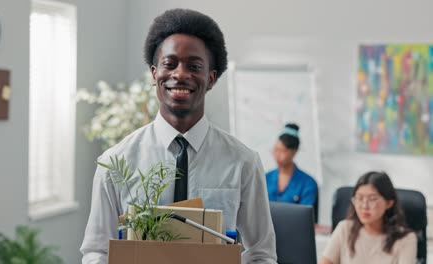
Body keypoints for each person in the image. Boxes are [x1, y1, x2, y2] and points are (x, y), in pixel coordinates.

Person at [80, 8, 277, 264]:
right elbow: (97, 251)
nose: (180, 74)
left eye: (194, 66)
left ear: (211, 78)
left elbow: (261, 253)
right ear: (154, 74)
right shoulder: (115, 162)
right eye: (169, 64)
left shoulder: (243, 162)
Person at [320, 171, 417, 264]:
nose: (364, 206)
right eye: (359, 198)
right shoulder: (345, 228)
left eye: (372, 199)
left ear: (388, 203)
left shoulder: (406, 239)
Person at [265, 123, 318, 205]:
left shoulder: (307, 183)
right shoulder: (265, 178)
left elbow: (305, 215)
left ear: (294, 151)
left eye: (283, 151)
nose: (277, 154)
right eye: (276, 149)